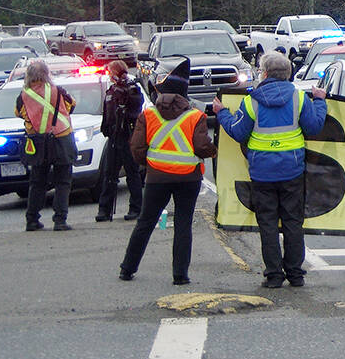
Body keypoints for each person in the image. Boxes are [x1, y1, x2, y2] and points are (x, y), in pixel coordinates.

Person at [215, 50, 328, 289]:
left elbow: (237, 132)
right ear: (288, 74)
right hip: (292, 170)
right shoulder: (298, 98)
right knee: (293, 223)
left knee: (267, 224)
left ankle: (274, 275)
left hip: (262, 173)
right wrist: (320, 100)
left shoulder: (251, 101)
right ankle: (295, 274)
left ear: (264, 73)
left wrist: (222, 113)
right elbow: (314, 126)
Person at [118, 59, 216, 285]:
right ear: (184, 94)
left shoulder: (148, 115)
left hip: (156, 177)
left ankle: (127, 268)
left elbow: (137, 148)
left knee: (145, 222)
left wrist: (150, 164)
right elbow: (201, 146)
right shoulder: (195, 116)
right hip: (188, 178)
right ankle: (180, 275)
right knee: (183, 224)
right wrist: (213, 151)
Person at [15, 58, 77, 232]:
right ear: (46, 74)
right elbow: (72, 105)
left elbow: (18, 113)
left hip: (37, 143)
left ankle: (32, 220)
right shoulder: (58, 91)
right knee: (63, 182)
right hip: (61, 139)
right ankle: (60, 220)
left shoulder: (23, 95)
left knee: (37, 182)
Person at [96, 59, 146, 222]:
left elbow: (136, 109)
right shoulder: (112, 90)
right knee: (109, 174)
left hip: (127, 135)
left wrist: (126, 94)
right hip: (113, 136)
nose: (109, 75)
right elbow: (108, 113)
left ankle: (136, 208)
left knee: (132, 173)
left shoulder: (131, 89)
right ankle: (104, 210)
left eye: (110, 72)